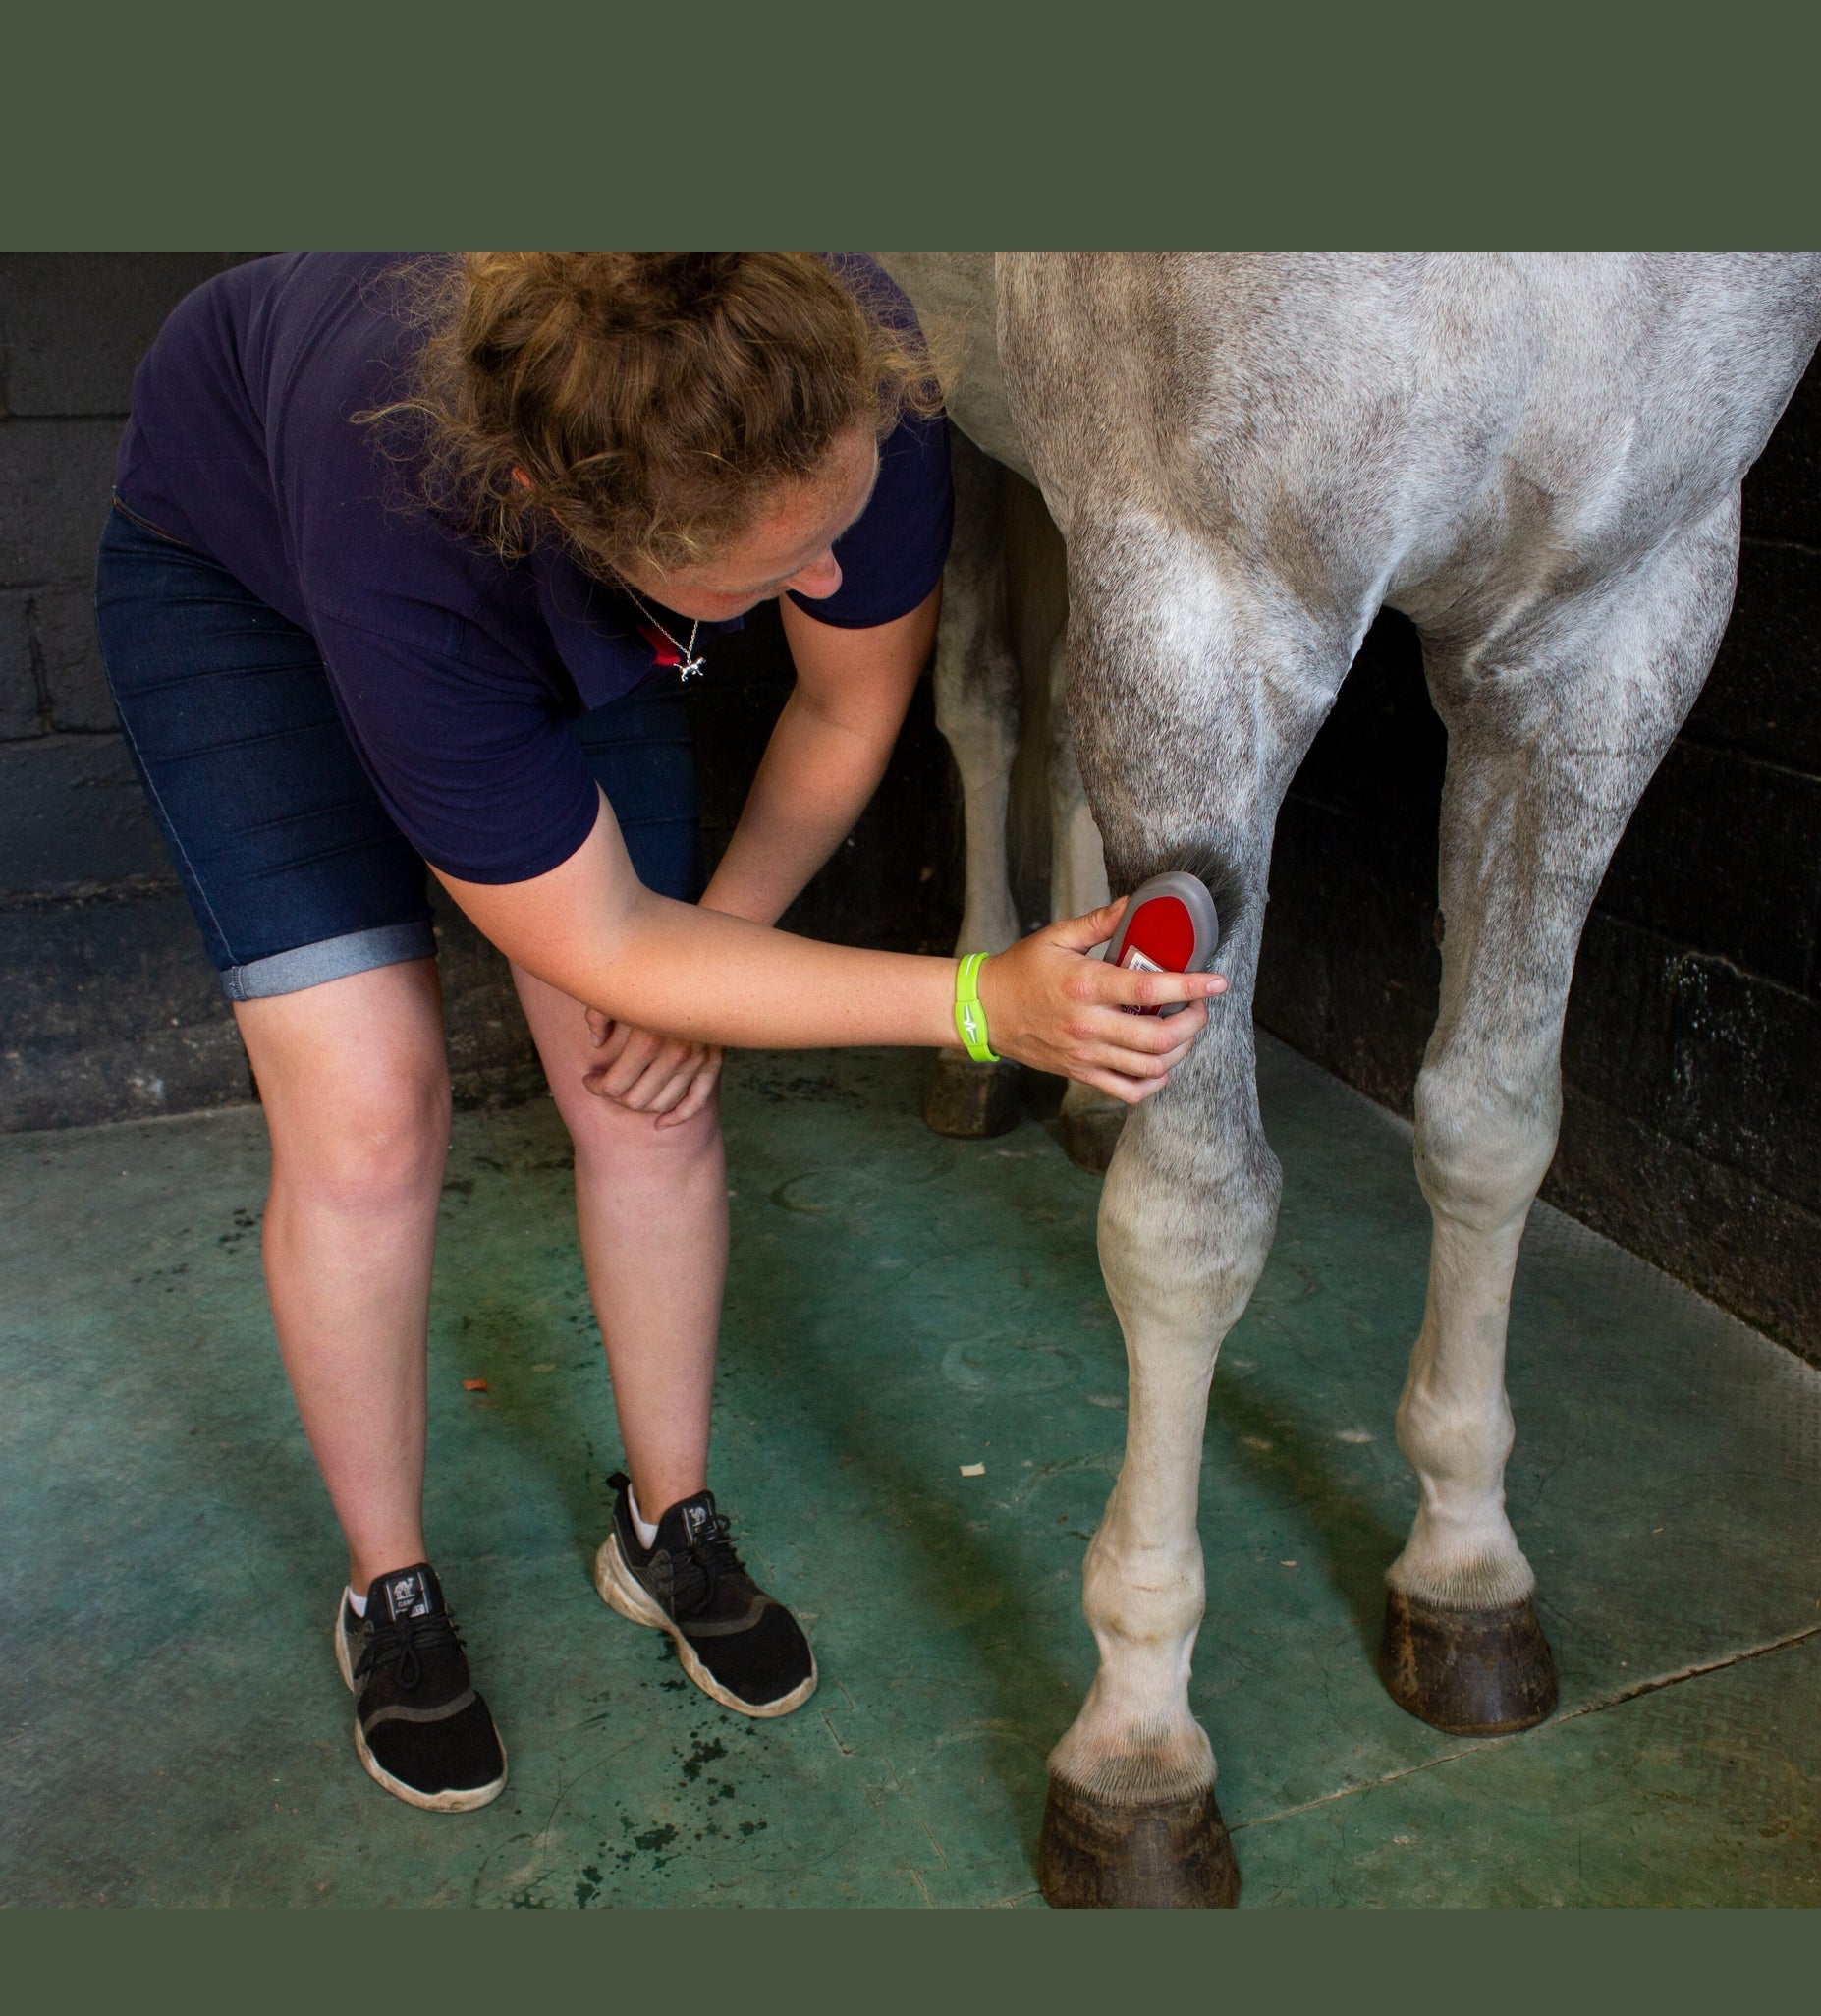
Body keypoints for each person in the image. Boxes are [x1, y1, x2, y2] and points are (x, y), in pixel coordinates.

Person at [96, 252, 1225, 1814]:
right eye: (779, 573)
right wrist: (980, 1005)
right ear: (585, 519)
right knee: (368, 1114)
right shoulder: (416, 521)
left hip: (587, 582)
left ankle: (668, 1521)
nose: (828, 580)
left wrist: (733, 944)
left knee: (647, 1087)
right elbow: (613, 939)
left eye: (835, 526)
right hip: (245, 589)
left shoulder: (840, 376)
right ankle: (389, 1588)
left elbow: (840, 705)